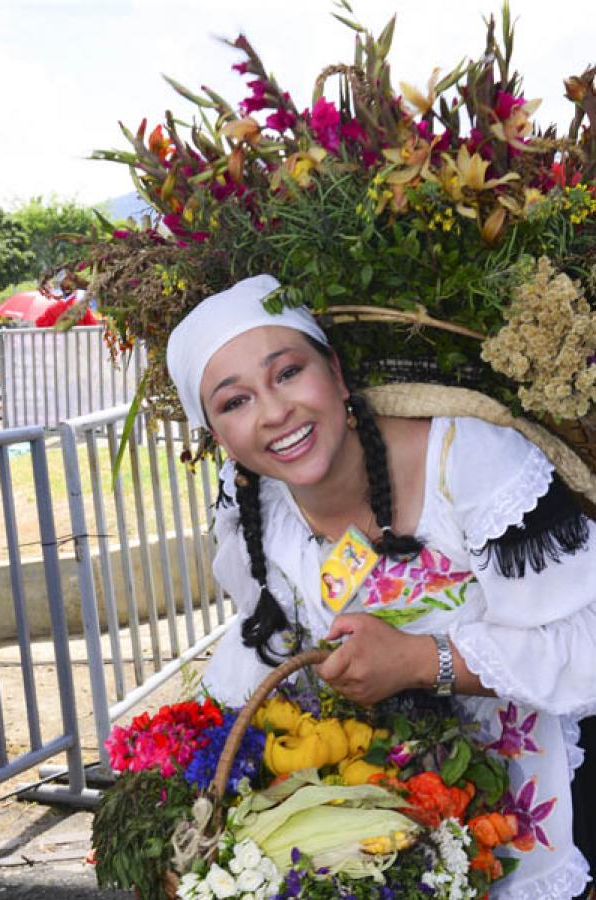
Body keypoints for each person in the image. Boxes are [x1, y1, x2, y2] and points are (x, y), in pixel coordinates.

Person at [167, 273, 596, 899]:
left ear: (336, 374)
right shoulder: (254, 506)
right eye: (235, 402)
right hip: (394, 825)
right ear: (216, 436)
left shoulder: (470, 462)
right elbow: (263, 646)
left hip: (541, 796)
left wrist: (423, 661)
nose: (274, 411)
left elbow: (587, 639)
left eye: (287, 372)